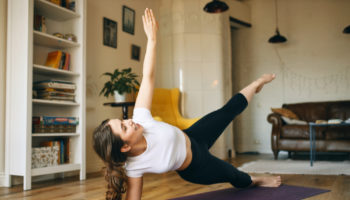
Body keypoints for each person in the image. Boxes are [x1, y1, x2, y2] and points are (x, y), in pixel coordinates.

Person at [93, 8, 281, 200]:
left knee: (227, 111)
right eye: (124, 127)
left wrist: (152, 39)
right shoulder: (135, 166)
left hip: (194, 135)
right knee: (234, 176)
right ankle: (256, 180)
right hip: (196, 166)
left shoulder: (141, 118)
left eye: (123, 120)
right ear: (125, 147)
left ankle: (256, 84)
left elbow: (148, 78)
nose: (129, 121)